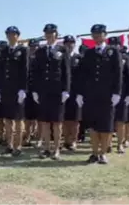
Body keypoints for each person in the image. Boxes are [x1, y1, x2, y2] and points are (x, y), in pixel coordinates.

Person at [77, 24, 122, 164]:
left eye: (99, 33)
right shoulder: (89, 53)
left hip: (107, 94)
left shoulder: (113, 52)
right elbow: (83, 75)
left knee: (106, 126)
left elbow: (118, 74)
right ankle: (94, 152)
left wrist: (117, 93)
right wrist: (80, 93)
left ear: (104, 35)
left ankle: (103, 153)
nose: (96, 36)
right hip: (91, 95)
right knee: (93, 126)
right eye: (94, 34)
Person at [32, 23, 70, 160]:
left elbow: (66, 71)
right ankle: (47, 148)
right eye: (47, 33)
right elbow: (35, 72)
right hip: (43, 90)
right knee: (45, 122)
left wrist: (66, 90)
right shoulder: (40, 51)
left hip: (58, 90)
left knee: (57, 122)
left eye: (51, 32)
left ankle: (56, 149)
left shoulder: (62, 50)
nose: (49, 35)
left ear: (56, 34)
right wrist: (35, 90)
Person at [0, 26, 28, 157]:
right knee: (8, 119)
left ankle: (18, 145)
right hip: (5, 89)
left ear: (18, 36)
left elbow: (25, 70)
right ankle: (9, 145)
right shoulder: (4, 51)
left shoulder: (23, 50)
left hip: (17, 89)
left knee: (18, 120)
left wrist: (23, 89)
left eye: (13, 34)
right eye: (8, 34)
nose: (10, 36)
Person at [108, 37, 129, 154]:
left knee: (120, 121)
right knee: (108, 120)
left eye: (116, 44)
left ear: (120, 45)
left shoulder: (125, 58)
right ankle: (107, 144)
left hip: (122, 93)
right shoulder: (106, 56)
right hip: (107, 92)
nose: (114, 46)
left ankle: (120, 144)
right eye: (111, 44)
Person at [62, 35, 82, 151]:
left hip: (75, 92)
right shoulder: (60, 58)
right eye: (67, 43)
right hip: (63, 92)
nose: (69, 45)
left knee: (75, 120)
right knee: (64, 119)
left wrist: (81, 93)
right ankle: (66, 141)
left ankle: (73, 140)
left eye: (71, 43)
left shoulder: (79, 58)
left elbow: (83, 77)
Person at [23, 38, 39, 147]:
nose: (33, 49)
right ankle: (27, 136)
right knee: (27, 116)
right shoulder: (26, 59)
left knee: (40, 117)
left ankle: (39, 138)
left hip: (39, 90)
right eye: (32, 47)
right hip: (28, 90)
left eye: (35, 46)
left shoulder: (42, 58)